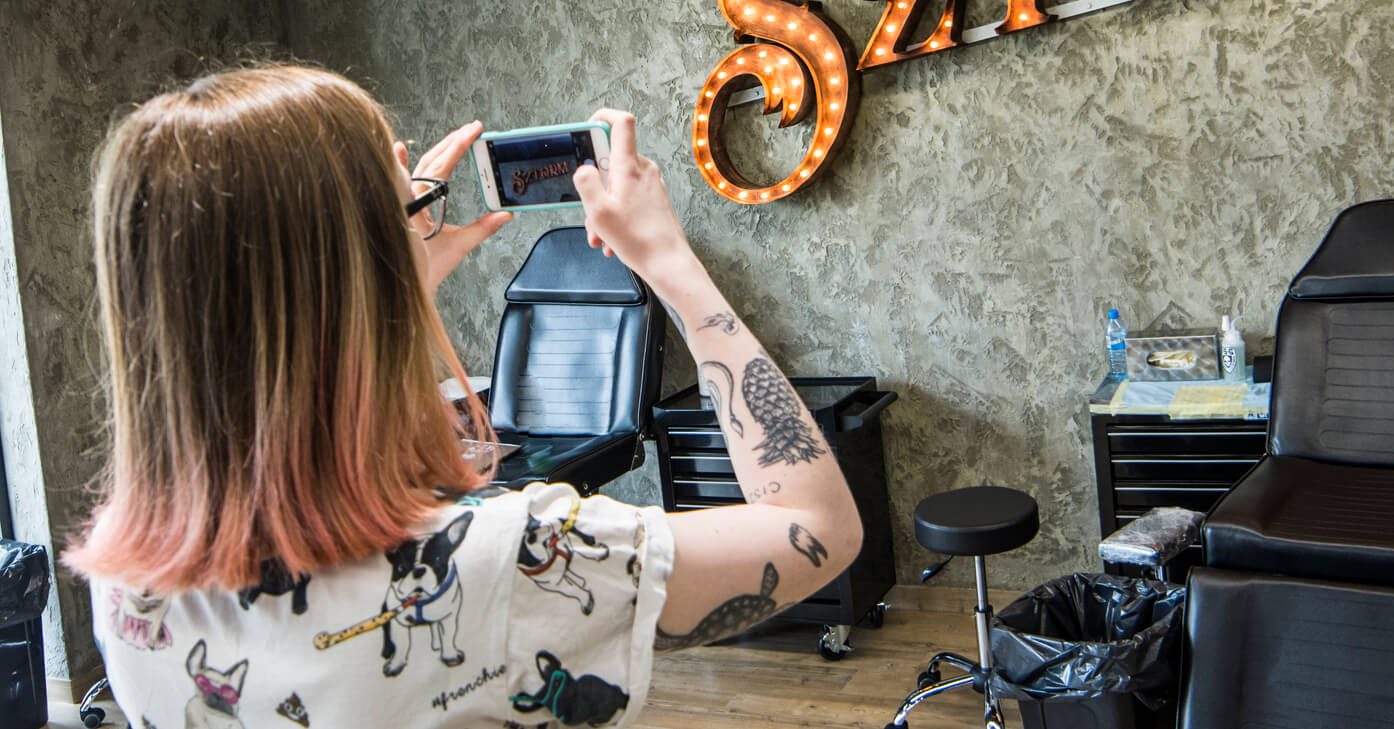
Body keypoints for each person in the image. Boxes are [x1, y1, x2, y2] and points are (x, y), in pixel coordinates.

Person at [63, 64, 861, 727]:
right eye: (401, 209)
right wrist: (669, 263)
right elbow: (816, 527)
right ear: (365, 270)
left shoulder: (129, 590)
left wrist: (386, 280)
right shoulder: (504, 563)